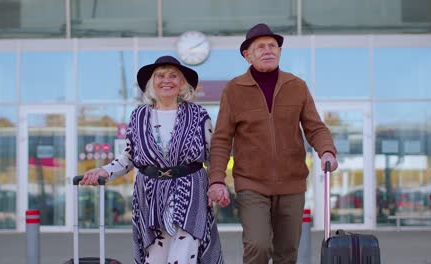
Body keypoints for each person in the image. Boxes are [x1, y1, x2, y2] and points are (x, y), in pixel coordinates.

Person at [207, 23, 339, 264]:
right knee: (257, 245)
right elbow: (222, 139)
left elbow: (315, 126)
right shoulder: (234, 90)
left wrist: (327, 151)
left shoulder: (296, 86)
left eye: (272, 46)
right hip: (251, 183)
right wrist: (216, 179)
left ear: (279, 51)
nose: (268, 50)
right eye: (260, 47)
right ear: (247, 55)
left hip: (292, 183)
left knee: (287, 253)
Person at [80, 55, 224, 264]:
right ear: (151, 83)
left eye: (173, 76)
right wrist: (103, 171)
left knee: (182, 258)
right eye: (160, 76)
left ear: (182, 83)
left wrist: (216, 183)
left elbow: (214, 154)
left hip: (190, 192)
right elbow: (128, 157)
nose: (167, 80)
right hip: (150, 195)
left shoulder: (199, 114)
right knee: (155, 258)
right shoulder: (138, 116)